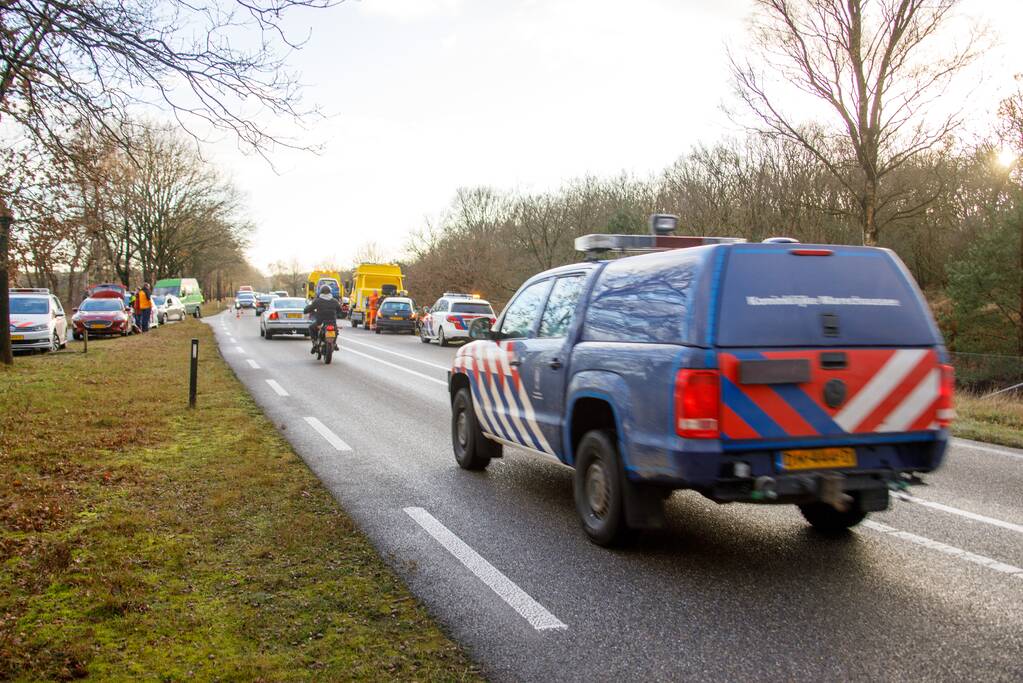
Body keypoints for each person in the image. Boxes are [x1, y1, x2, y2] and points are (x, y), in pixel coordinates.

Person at [304, 285, 343, 353]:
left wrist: (306, 310)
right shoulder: (335, 301)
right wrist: (338, 314)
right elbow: (340, 311)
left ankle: (315, 343)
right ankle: (334, 343)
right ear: (330, 292)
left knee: (311, 327)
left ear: (321, 292)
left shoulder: (317, 301)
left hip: (320, 322)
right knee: (336, 330)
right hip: (332, 322)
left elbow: (308, 309)